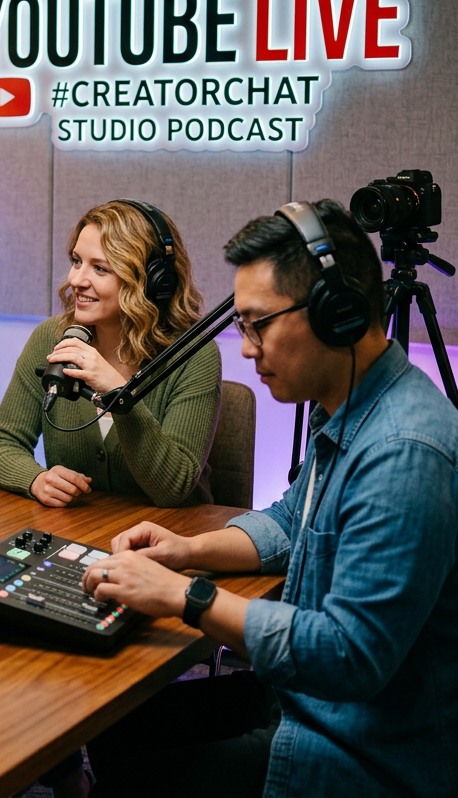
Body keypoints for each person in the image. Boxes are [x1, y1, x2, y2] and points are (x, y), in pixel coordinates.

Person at [81, 200, 458, 797]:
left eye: (258, 324)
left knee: (133, 779)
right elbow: (289, 522)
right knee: (110, 727)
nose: (247, 349)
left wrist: (186, 596)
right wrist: (186, 549)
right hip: (306, 704)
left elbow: (347, 654)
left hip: (363, 751)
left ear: (336, 315)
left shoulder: (403, 450)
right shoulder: (350, 411)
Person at [0, 199, 221, 509]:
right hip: (81, 533)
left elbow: (173, 488)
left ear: (149, 281)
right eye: (76, 261)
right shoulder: (50, 340)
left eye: (100, 268)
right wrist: (35, 480)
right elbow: (0, 445)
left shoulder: (194, 355)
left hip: (170, 542)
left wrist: (118, 393)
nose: (76, 280)